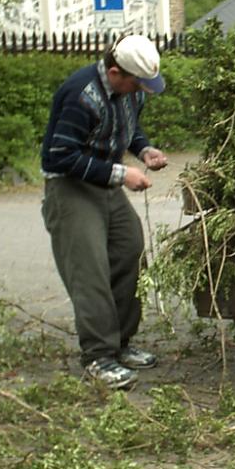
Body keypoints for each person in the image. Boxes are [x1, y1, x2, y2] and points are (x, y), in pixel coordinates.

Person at [40, 34, 168, 389]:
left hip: (106, 185)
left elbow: (128, 129)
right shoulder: (80, 95)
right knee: (90, 269)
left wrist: (144, 151)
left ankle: (121, 344)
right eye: (136, 84)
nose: (140, 90)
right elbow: (58, 156)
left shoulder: (132, 89)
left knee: (129, 250)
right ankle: (98, 356)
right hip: (70, 189)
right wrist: (121, 174)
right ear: (115, 72)